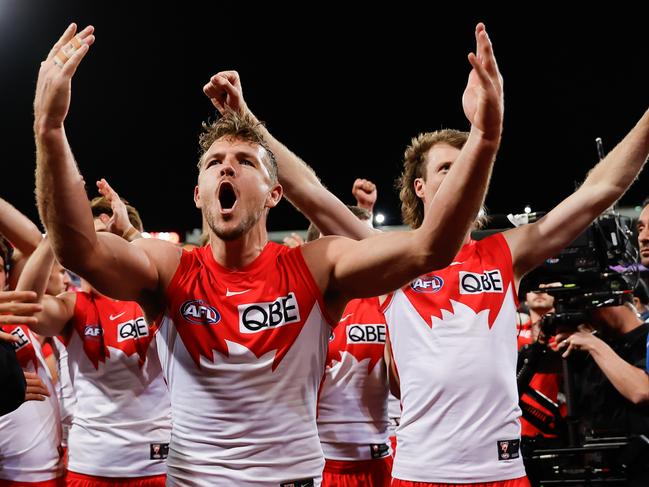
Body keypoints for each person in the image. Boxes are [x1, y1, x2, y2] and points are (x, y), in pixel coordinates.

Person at [34, 22, 499, 486]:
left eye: (244, 162)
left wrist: (485, 137)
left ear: (275, 192)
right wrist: (50, 130)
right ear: (200, 194)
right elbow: (80, 249)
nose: (226, 168)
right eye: (214, 163)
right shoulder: (168, 266)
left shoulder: (316, 265)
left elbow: (430, 248)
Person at [206, 25, 649, 486]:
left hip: (503, 473)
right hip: (420, 473)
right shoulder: (393, 257)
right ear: (420, 188)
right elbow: (313, 194)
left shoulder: (507, 252)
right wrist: (249, 124)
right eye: (445, 168)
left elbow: (602, 188)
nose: (461, 177)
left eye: (468, 167)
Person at [17, 179, 171, 486]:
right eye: (93, 242)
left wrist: (131, 235)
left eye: (110, 240)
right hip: (92, 467)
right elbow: (27, 308)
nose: (101, 253)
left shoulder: (160, 296)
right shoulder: (76, 304)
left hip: (157, 465)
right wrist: (55, 234)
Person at [557, 301, 649, 486]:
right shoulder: (595, 343)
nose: (586, 315)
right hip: (600, 468)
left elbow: (642, 391)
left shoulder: (644, 338)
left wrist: (594, 345)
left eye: (590, 307)